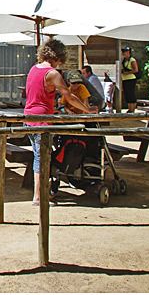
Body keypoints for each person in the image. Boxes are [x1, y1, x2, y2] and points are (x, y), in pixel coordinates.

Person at [24, 39, 94, 206]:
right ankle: (38, 196)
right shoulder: (53, 73)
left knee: (39, 155)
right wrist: (87, 110)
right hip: (42, 121)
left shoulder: (33, 69)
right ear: (59, 56)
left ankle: (42, 192)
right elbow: (69, 96)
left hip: (28, 118)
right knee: (41, 158)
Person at [120, 46, 140, 113]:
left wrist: (127, 73)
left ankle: (133, 109)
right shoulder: (124, 60)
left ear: (128, 52)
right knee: (127, 94)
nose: (123, 53)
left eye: (125, 52)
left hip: (131, 79)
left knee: (131, 94)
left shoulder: (132, 60)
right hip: (125, 79)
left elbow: (136, 70)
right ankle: (129, 108)